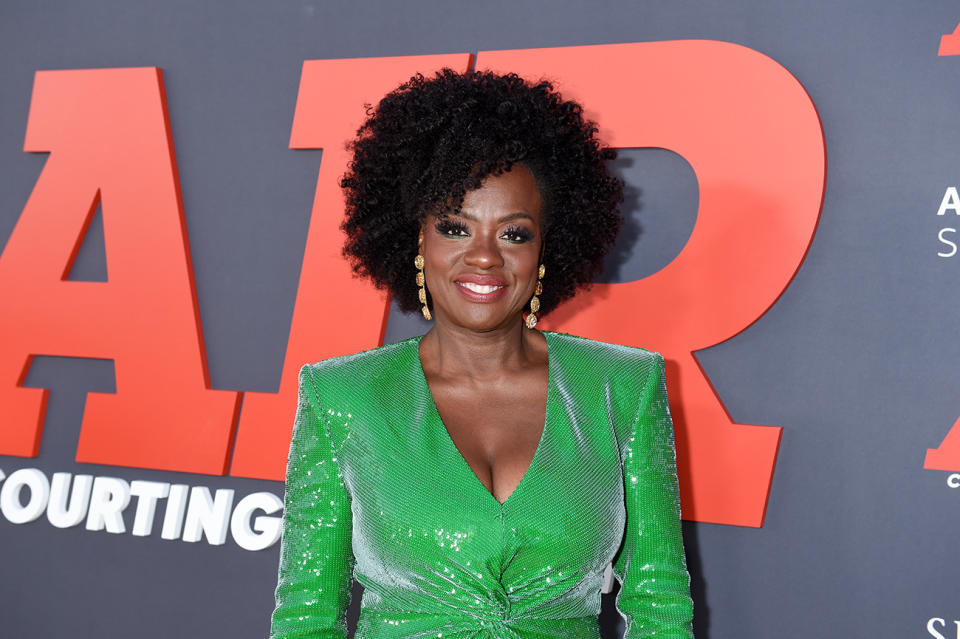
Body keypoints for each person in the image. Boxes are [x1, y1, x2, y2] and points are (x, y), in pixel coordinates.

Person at [268, 68, 694, 639]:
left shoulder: (623, 385)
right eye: (455, 227)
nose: (486, 257)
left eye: (514, 233)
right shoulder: (340, 396)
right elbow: (306, 618)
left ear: (547, 246)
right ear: (416, 239)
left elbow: (660, 605)